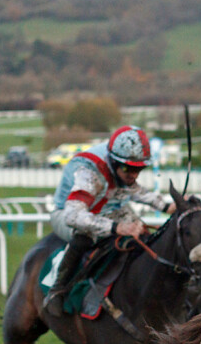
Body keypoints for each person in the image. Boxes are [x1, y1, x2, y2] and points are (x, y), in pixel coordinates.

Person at [43, 125, 176, 316]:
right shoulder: (89, 173)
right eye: (128, 169)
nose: (133, 174)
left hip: (106, 209)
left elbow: (134, 188)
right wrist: (116, 228)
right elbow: (73, 216)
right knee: (87, 235)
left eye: (139, 169)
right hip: (66, 213)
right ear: (113, 162)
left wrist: (167, 206)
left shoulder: (122, 165)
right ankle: (57, 290)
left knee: (141, 232)